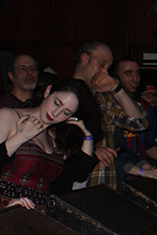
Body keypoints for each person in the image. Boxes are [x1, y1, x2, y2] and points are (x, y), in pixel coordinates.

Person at [0, 78, 100, 209]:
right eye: (57, 103)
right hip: (7, 209)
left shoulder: (54, 137)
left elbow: (79, 174)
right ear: (48, 91)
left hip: (38, 214)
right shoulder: (9, 116)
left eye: (65, 112)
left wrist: (88, 137)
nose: (55, 113)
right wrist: (20, 137)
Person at [72, 42, 148, 189]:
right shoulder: (63, 93)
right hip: (75, 185)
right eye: (101, 65)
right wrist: (91, 152)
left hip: (106, 181)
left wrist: (116, 89)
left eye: (108, 68)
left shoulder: (102, 97)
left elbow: (139, 123)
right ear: (85, 59)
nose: (104, 72)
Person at [113, 58, 157, 182]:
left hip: (139, 173)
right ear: (116, 77)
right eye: (128, 74)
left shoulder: (145, 107)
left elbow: (148, 145)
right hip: (114, 174)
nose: (135, 79)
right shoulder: (109, 105)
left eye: (137, 74)